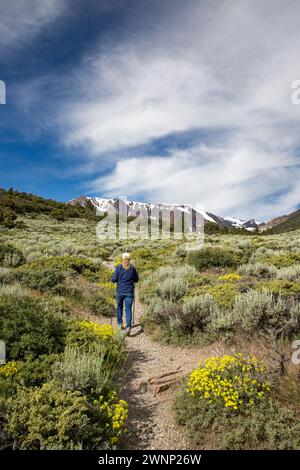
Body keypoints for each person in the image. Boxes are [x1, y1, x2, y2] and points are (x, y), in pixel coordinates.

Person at [111, 252, 139, 336]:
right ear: (129, 259)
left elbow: (113, 279)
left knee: (119, 307)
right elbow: (136, 279)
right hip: (129, 292)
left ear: (122, 259)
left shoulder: (118, 268)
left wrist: (114, 279)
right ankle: (128, 327)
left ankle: (119, 325)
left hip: (120, 291)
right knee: (128, 309)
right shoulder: (133, 268)